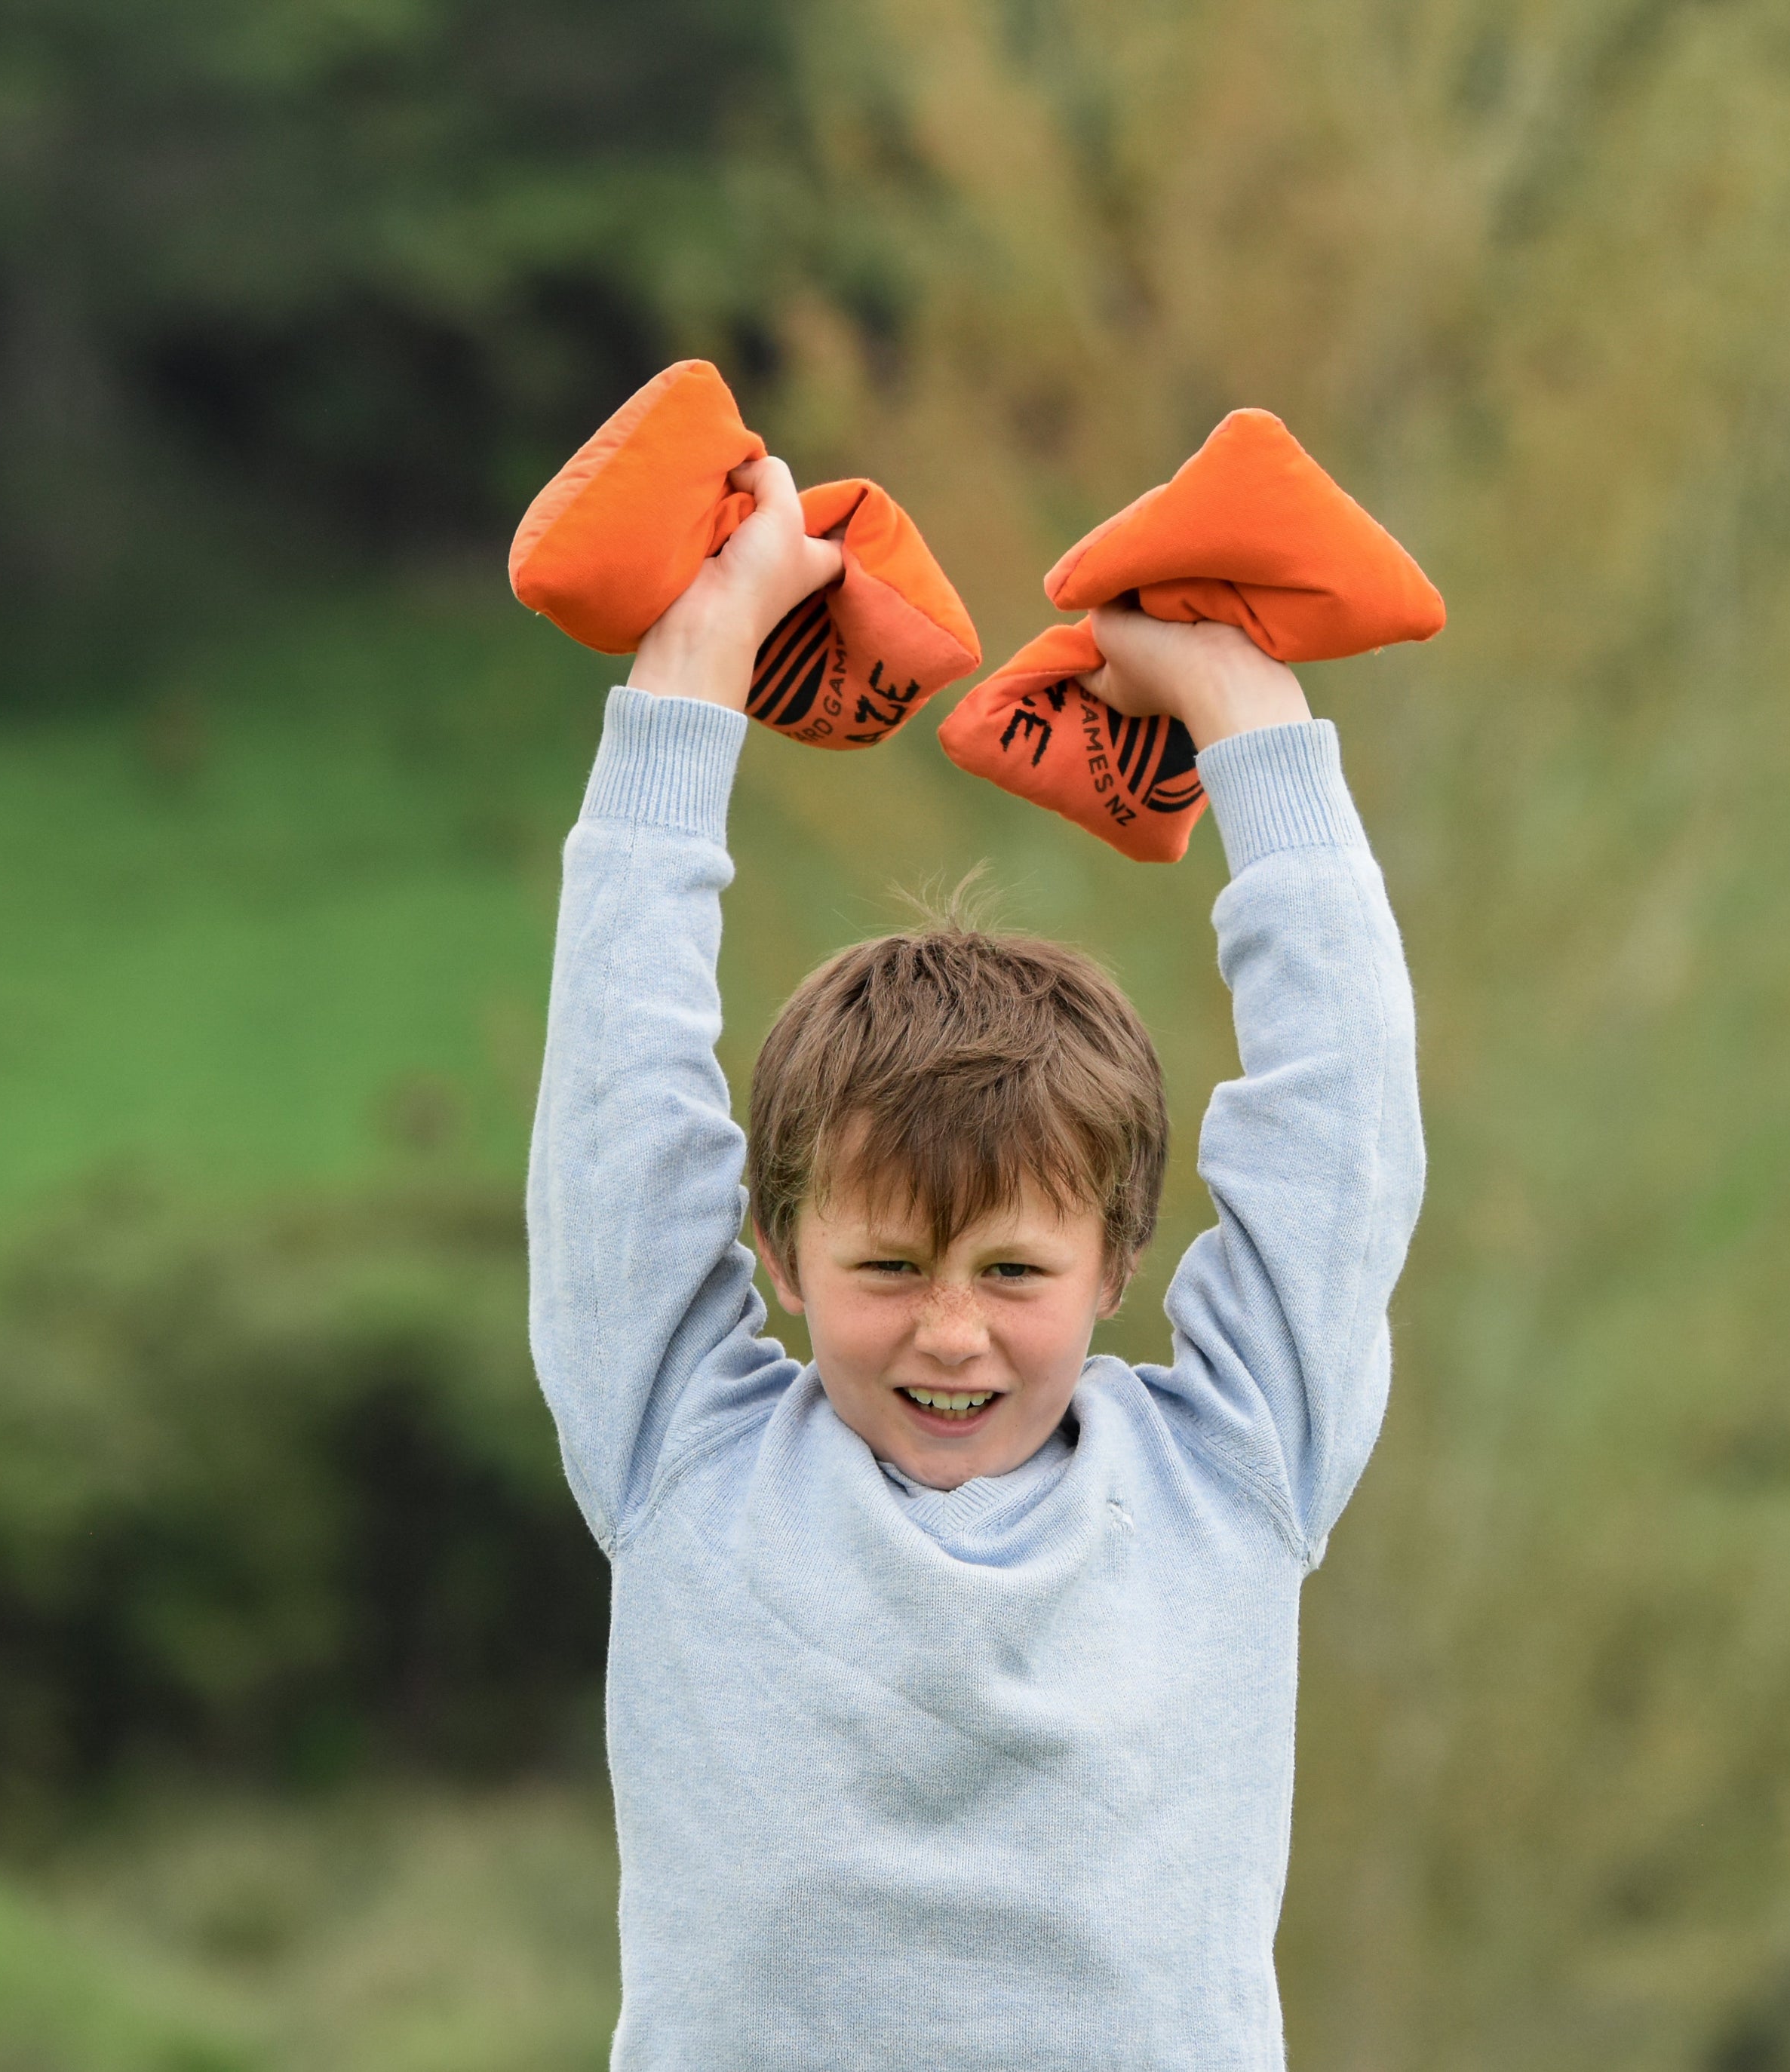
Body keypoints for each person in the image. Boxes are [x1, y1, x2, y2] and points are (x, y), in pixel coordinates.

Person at [527, 452, 1426, 2068]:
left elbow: (1338, 1137)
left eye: (1013, 1275)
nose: (950, 1335)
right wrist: (700, 659)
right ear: (777, 1253)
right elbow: (616, 1098)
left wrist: (1244, 714)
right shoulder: (679, 1446)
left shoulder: (1235, 1467)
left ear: (1117, 1262)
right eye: (888, 1271)